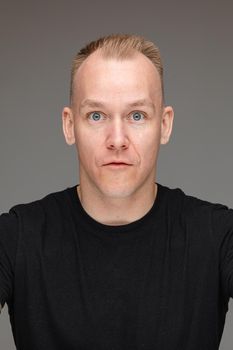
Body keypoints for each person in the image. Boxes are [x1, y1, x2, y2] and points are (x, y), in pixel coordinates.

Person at [0, 33, 232, 350]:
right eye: (97, 115)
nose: (117, 139)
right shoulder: (15, 238)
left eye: (137, 115)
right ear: (70, 126)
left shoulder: (218, 235)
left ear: (164, 125)